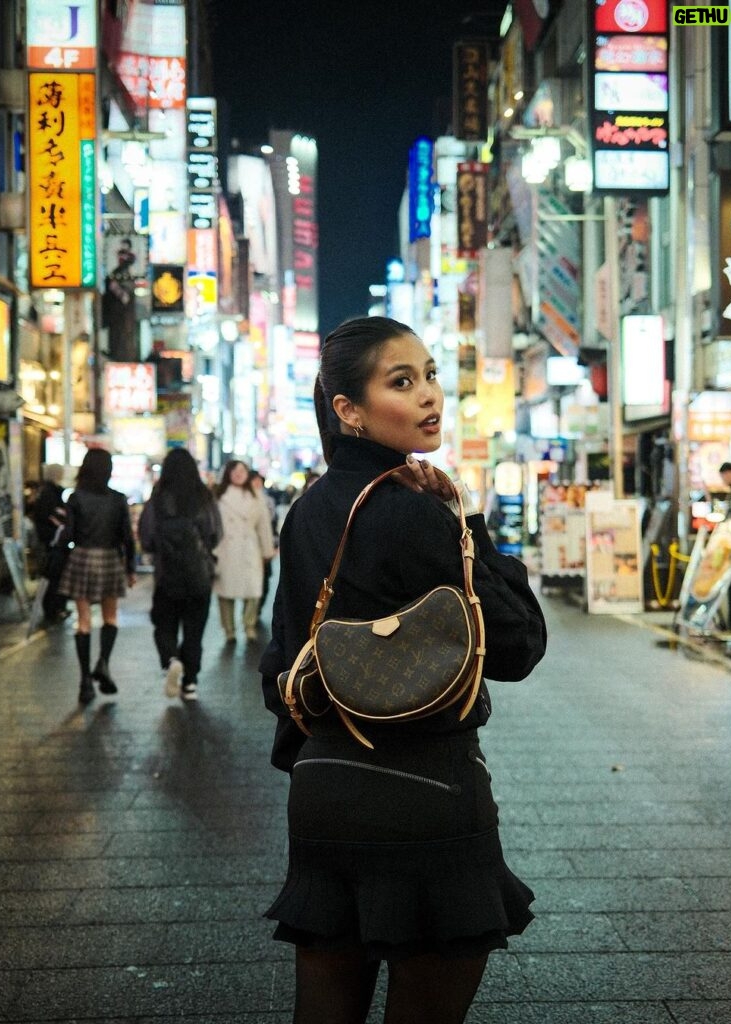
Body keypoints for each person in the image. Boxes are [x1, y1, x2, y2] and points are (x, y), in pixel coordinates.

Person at [259, 316, 547, 1024]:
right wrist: (466, 520)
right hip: (426, 794)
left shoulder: (307, 513)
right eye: (401, 381)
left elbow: (280, 665)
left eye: (429, 375)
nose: (428, 396)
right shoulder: (418, 513)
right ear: (347, 410)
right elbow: (515, 647)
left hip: (323, 793)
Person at [138, 448, 222, 702]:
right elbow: (216, 533)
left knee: (164, 624)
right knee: (194, 631)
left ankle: (171, 659)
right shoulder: (204, 497)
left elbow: (147, 536)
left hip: (167, 576)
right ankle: (190, 683)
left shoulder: (158, 497)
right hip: (199, 576)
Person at [58, 449, 136, 705]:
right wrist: (130, 569)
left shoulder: (75, 498)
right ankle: (103, 662)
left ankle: (85, 683)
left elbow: (68, 535)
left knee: (83, 622)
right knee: (110, 617)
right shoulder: (118, 499)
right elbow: (127, 537)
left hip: (81, 558)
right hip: (110, 558)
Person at [213, 459, 275, 643]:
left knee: (254, 590)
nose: (239, 474)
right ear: (228, 474)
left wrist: (267, 550)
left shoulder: (256, 496)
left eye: (242, 471)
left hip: (250, 548)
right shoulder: (219, 495)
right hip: (226, 549)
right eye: (235, 471)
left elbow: (264, 526)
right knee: (226, 592)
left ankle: (249, 625)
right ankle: (229, 629)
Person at [30, 463, 69, 621]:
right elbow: (52, 516)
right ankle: (53, 610)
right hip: (53, 542)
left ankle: (54, 609)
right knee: (54, 577)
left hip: (51, 541)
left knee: (53, 577)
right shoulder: (50, 493)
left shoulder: (46, 492)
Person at [249, 469, 278, 617]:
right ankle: (250, 616)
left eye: (259, 480)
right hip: (250, 548)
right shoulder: (245, 500)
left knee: (265, 581)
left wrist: (275, 544)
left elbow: (273, 525)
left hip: (266, 546)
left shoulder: (269, 501)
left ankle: (257, 610)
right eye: (254, 480)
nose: (257, 483)